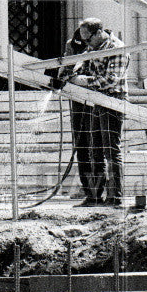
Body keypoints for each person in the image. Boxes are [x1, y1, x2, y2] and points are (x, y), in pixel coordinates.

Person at [69, 18, 129, 207]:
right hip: (98, 101)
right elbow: (83, 63)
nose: (87, 44)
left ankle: (115, 196)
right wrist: (74, 70)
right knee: (95, 151)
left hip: (113, 102)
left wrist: (84, 81)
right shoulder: (94, 48)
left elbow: (111, 79)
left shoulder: (117, 48)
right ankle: (94, 196)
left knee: (111, 151)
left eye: (88, 39)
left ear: (99, 32)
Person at [50, 26, 95, 205]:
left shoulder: (97, 48)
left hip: (95, 100)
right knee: (81, 144)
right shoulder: (72, 45)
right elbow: (67, 66)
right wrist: (64, 76)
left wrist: (80, 79)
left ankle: (101, 189)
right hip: (77, 100)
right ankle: (88, 190)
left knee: (95, 147)